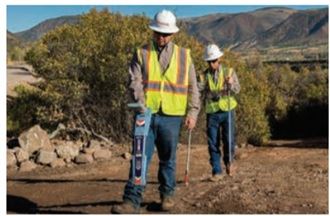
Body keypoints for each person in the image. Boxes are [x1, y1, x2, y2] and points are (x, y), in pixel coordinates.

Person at [111, 10, 200, 213]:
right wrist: (141, 107)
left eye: (165, 34)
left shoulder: (185, 56)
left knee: (168, 159)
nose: (161, 37)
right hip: (145, 115)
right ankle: (131, 201)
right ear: (153, 31)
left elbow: (194, 87)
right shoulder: (141, 53)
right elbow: (133, 83)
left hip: (172, 116)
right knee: (139, 157)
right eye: (158, 33)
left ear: (173, 34)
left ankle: (167, 196)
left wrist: (193, 113)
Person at [198, 44, 240, 182]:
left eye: (214, 60)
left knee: (229, 139)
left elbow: (237, 90)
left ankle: (229, 163)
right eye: (209, 61)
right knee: (213, 142)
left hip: (228, 110)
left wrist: (231, 84)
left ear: (219, 59)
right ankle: (217, 170)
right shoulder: (203, 76)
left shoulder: (229, 72)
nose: (211, 64)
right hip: (212, 113)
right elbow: (198, 93)